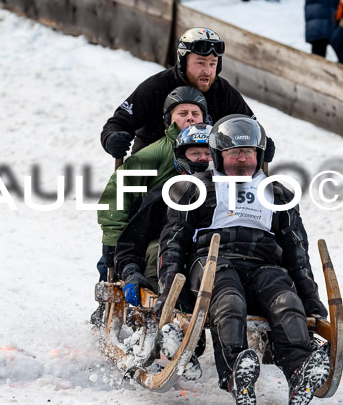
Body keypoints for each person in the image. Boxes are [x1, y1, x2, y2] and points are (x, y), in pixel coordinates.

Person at [157, 115, 329, 404]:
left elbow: (296, 249)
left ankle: (299, 369)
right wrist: (171, 294)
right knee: (229, 301)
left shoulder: (277, 193)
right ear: (218, 155)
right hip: (213, 263)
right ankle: (236, 369)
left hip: (264, 265)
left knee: (286, 301)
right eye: (234, 152)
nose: (242, 160)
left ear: (258, 155)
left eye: (248, 152)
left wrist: (309, 296)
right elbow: (173, 242)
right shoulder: (194, 189)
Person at [91, 87, 208, 326]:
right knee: (144, 258)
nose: (190, 118)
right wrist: (113, 244)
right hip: (151, 228)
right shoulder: (153, 154)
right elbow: (118, 194)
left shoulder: (215, 153)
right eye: (182, 113)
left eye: (196, 114)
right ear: (169, 119)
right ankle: (119, 313)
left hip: (197, 229)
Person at [100, 28, 272, 162]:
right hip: (153, 168)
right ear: (183, 61)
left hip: (204, 168)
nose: (207, 70)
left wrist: (261, 142)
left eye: (213, 64)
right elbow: (118, 123)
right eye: (200, 63)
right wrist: (112, 138)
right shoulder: (155, 87)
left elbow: (250, 127)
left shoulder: (223, 92)